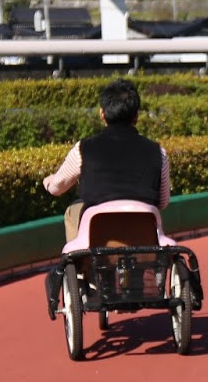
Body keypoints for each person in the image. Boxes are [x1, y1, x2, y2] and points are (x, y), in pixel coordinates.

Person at [42, 78, 170, 308]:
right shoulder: (157, 152)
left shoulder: (83, 149)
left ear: (102, 114)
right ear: (136, 115)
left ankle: (85, 271)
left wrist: (49, 181)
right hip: (145, 241)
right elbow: (162, 201)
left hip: (98, 241)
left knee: (73, 211)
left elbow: (57, 188)